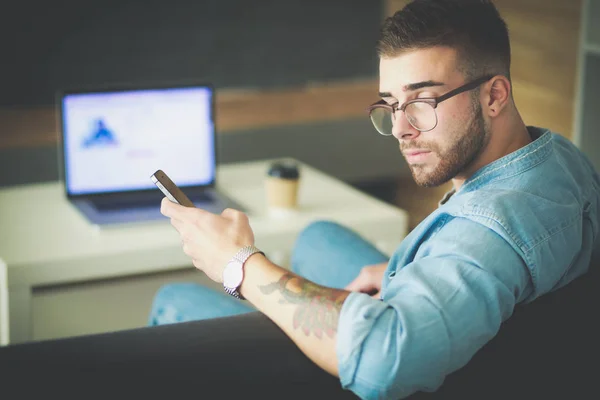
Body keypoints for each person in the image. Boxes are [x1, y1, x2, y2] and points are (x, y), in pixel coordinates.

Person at [147, 0, 600, 398]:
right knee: (318, 236)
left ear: (494, 95)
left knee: (176, 300)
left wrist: (239, 264)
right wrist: (417, 269)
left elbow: (387, 359)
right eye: (391, 104)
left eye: (423, 99)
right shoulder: (557, 157)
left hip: (393, 370)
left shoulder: (490, 226)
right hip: (491, 327)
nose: (401, 129)